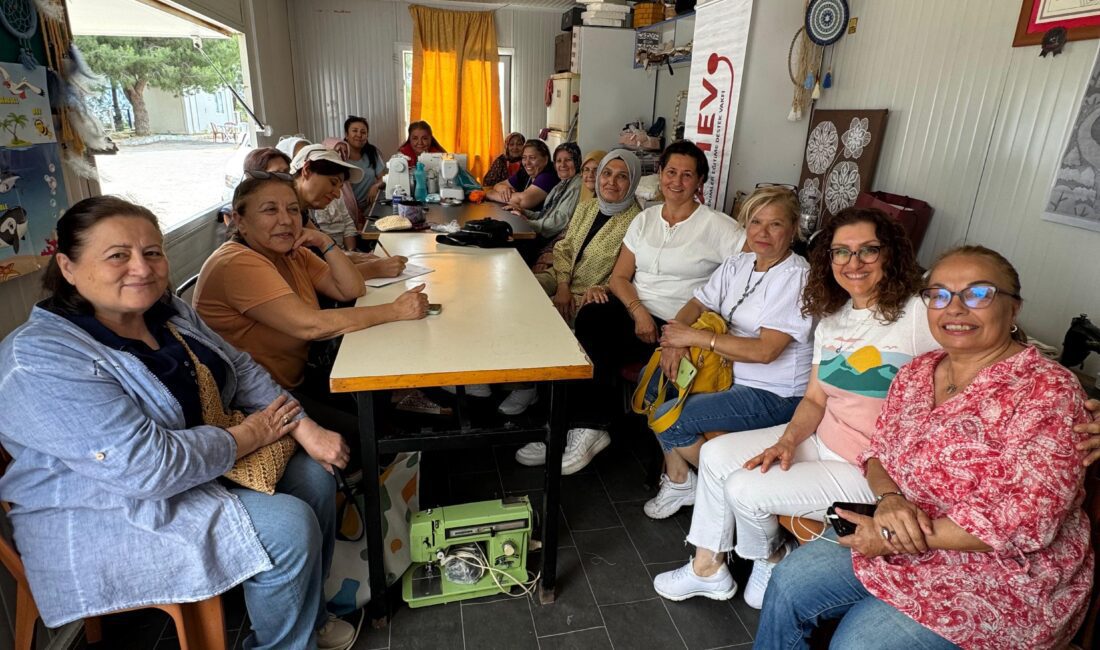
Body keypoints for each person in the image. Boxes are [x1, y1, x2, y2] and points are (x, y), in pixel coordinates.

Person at [0, 196, 355, 649]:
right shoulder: (40, 360)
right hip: (107, 507)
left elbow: (240, 366)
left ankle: (303, 616)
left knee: (314, 477)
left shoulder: (165, 311)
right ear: (68, 267)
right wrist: (251, 434)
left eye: (152, 252)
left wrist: (303, 425)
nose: (141, 268)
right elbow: (147, 468)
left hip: (196, 468)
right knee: (287, 527)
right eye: (117, 255)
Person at [757, 245, 1093, 650]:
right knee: (789, 582)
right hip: (900, 530)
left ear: (1014, 308)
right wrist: (891, 498)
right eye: (939, 295)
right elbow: (877, 453)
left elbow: (1026, 522)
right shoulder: (919, 370)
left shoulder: (1047, 390)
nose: (955, 308)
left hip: (1002, 571)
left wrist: (891, 535)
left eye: (979, 294)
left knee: (857, 645)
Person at [651, 207, 937, 609]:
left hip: (871, 468)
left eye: (868, 251)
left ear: (890, 254)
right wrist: (787, 441)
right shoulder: (835, 318)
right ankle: (708, 567)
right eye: (841, 252)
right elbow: (816, 398)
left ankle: (771, 556)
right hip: (822, 438)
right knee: (716, 454)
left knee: (744, 489)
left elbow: (974, 350)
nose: (853, 263)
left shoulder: (917, 314)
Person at [514, 140, 746, 474]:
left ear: (699, 182)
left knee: (592, 331)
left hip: (677, 322)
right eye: (670, 172)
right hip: (637, 312)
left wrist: (701, 324)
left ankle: (587, 428)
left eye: (686, 175)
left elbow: (754, 265)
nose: (676, 181)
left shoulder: (718, 226)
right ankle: (572, 430)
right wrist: (637, 310)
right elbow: (621, 277)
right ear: (661, 175)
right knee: (591, 319)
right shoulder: (646, 219)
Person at [193, 173, 428, 439]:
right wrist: (395, 311)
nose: (285, 219)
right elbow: (311, 326)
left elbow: (350, 288)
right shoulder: (237, 263)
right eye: (270, 210)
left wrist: (322, 241)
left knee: (381, 412)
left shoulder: (292, 252)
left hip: (298, 377)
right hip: (257, 401)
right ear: (240, 221)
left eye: (293, 210)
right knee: (371, 432)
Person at [641, 186, 813, 520]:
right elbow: (698, 302)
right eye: (755, 222)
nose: (762, 233)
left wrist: (694, 337)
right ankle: (682, 481)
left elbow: (766, 351)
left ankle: (728, 491)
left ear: (792, 230)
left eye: (775, 225)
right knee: (656, 387)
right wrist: (675, 342)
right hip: (728, 374)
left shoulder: (795, 277)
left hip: (774, 394)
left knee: (669, 418)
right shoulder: (739, 263)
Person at [498, 150, 643, 417]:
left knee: (543, 315)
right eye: (607, 174)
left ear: (633, 181)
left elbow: (629, 274)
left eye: (622, 177)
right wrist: (562, 286)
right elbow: (564, 248)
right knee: (516, 292)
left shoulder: (637, 222)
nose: (611, 182)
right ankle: (510, 372)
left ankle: (533, 387)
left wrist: (574, 292)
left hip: (593, 294)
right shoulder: (588, 206)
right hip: (562, 278)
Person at [251, 146, 405, 282]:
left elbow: (324, 253)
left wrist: (363, 257)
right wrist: (376, 268)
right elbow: (319, 275)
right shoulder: (282, 223)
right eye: (333, 183)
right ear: (306, 170)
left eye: (340, 186)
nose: (338, 195)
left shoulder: (301, 215)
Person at [508, 142, 583, 241]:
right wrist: (523, 212)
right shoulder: (562, 184)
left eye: (568, 160)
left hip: (550, 241)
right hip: (543, 235)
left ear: (577, 162)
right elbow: (545, 214)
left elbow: (558, 222)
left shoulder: (576, 186)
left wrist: (527, 223)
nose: (562, 165)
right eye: (558, 161)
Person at [486, 139, 560, 211]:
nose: (527, 163)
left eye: (532, 158)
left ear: (545, 159)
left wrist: (491, 194)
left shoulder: (548, 176)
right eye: (524, 158)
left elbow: (522, 201)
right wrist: (504, 189)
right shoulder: (525, 173)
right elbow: (498, 185)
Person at [341, 115, 385, 210]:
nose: (359, 135)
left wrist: (375, 186)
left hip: (371, 207)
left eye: (363, 132)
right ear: (346, 134)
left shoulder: (372, 152)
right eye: (354, 131)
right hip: (347, 210)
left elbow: (383, 178)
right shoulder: (340, 155)